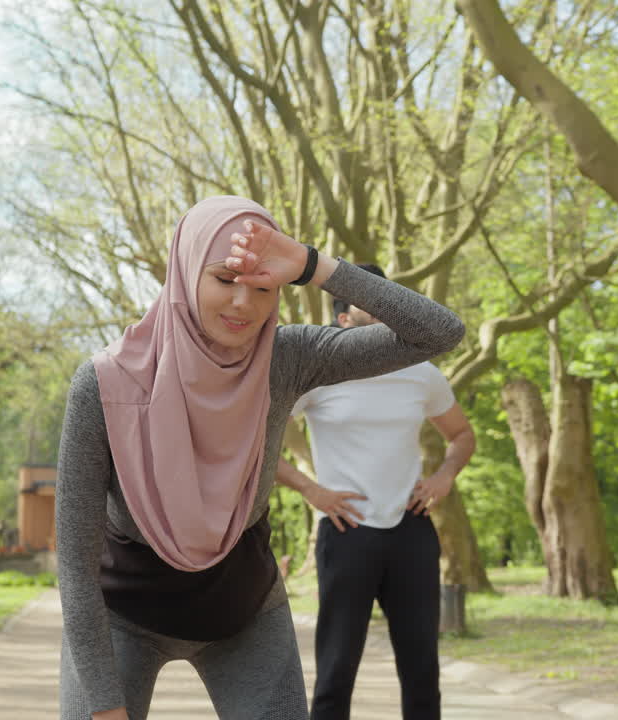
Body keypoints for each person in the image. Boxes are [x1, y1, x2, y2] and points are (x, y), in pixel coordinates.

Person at [55, 197, 465, 720]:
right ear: (185, 272)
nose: (243, 304)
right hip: (122, 616)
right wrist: (104, 704)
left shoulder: (288, 358)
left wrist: (313, 265)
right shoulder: (104, 385)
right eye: (225, 278)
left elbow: (439, 332)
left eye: (263, 288)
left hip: (244, 612)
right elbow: (75, 563)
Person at [275, 263, 476, 720]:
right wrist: (311, 489)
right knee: (336, 671)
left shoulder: (421, 372)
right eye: (369, 299)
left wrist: (444, 476)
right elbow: (257, 445)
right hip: (346, 531)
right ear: (344, 318)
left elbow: (462, 435)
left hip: (411, 529)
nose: (384, 304)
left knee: (422, 670)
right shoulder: (317, 372)